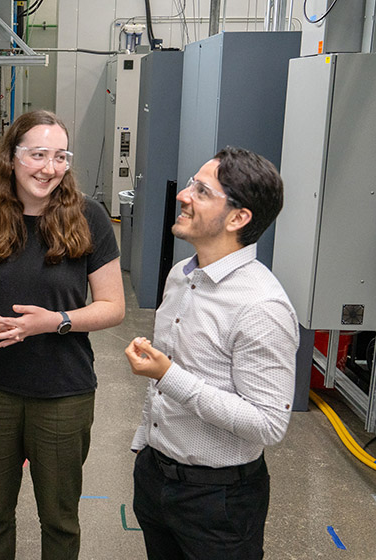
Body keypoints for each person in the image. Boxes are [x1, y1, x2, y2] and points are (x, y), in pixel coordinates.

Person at [0, 110, 125, 560]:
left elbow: (113, 307)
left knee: (60, 520)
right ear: (11, 157)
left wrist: (55, 321)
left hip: (63, 391)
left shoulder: (90, 217)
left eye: (60, 156)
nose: (49, 167)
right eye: (37, 154)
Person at [125, 146, 299, 559]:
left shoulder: (261, 307)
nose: (184, 196)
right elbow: (167, 384)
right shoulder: (181, 277)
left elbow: (269, 424)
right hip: (156, 478)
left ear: (239, 218)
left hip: (219, 501)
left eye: (201, 191)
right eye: (190, 184)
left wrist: (169, 375)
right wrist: (145, 444)